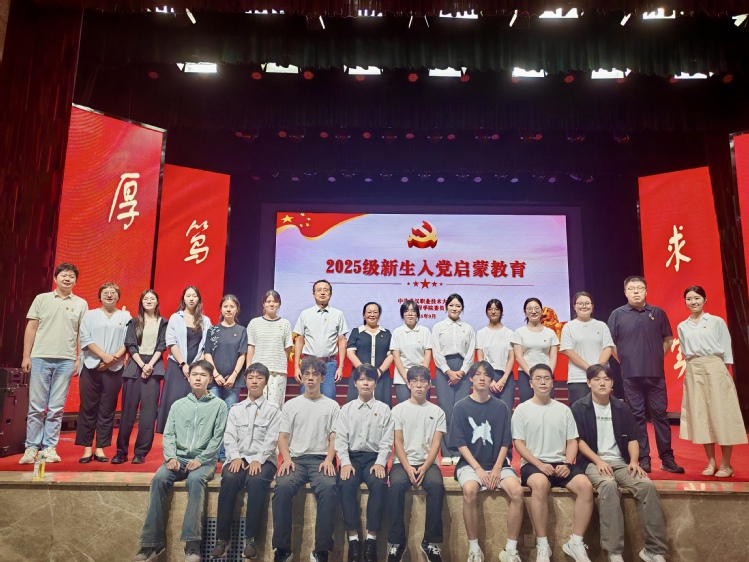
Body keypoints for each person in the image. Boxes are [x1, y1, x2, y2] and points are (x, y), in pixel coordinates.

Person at [131, 360, 228, 562]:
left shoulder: (219, 406)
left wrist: (201, 459)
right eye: (194, 374)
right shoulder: (178, 405)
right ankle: (151, 544)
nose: (198, 378)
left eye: (203, 375)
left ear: (210, 379)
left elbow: (218, 437)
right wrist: (171, 457)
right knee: (159, 479)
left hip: (204, 461)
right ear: (188, 377)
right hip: (178, 458)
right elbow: (169, 434)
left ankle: (192, 545)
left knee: (195, 480)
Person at [572, 364, 668, 562]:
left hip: (620, 462)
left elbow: (633, 438)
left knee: (647, 485)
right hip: (593, 462)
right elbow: (578, 441)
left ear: (612, 383)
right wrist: (598, 461)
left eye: (606, 379)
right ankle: (614, 552)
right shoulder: (579, 408)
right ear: (588, 383)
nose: (602, 383)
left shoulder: (621, 408)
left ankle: (654, 550)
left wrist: (633, 461)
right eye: (597, 379)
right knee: (608, 485)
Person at [512, 364, 594, 562]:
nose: (543, 382)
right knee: (540, 484)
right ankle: (543, 545)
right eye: (538, 378)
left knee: (585, 486)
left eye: (547, 378)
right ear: (531, 383)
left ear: (552, 383)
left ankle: (575, 542)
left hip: (561, 463)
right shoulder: (522, 410)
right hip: (533, 464)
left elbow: (572, 441)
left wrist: (567, 463)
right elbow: (519, 444)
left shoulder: (564, 410)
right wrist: (540, 465)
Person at [448, 360, 524, 562]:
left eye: (487, 375)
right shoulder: (460, 407)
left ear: (491, 379)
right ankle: (474, 549)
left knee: (517, 492)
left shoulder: (501, 407)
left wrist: (497, 468)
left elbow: (506, 442)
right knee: (470, 490)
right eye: (478, 374)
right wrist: (478, 469)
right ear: (471, 378)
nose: (482, 378)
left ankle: (510, 550)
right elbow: (460, 443)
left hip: (498, 464)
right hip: (470, 465)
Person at [607, 276, 684, 474]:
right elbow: (610, 342)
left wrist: (657, 358)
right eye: (631, 288)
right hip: (630, 375)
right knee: (637, 416)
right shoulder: (617, 314)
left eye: (640, 288)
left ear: (646, 291)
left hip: (655, 374)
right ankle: (643, 458)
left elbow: (668, 340)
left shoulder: (657, 313)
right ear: (625, 292)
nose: (636, 291)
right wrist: (624, 360)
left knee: (660, 415)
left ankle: (667, 458)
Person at [272, 356, 340, 562]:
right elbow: (283, 437)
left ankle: (321, 551)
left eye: (315, 374)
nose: (310, 378)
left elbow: (334, 437)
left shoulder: (332, 406)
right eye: (307, 374)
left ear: (322, 378)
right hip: (296, 460)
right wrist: (286, 458)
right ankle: (283, 549)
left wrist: (329, 459)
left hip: (321, 459)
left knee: (329, 488)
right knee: (282, 488)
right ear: (301, 377)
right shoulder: (290, 405)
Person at [211, 363, 281, 560]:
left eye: (259, 378)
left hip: (264, 459)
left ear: (266, 382)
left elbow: (272, 439)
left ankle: (250, 539)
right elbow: (229, 436)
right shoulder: (236, 409)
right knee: (230, 479)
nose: (254, 381)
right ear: (246, 381)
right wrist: (234, 456)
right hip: (238, 457)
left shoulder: (273, 410)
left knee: (256, 481)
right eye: (251, 377)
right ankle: (222, 539)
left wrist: (259, 459)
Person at [19, 263, 88, 464]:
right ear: (55, 278)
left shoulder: (81, 303)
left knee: (57, 407)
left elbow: (81, 334)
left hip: (66, 360)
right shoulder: (42, 299)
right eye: (63, 275)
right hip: (40, 357)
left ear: (75, 281)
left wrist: (79, 358)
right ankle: (31, 447)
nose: (67, 279)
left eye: (71, 276)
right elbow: (31, 328)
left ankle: (49, 447)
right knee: (36, 406)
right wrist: (26, 356)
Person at [678, 285, 747, 477]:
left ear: (705, 300)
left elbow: (726, 350)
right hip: (694, 369)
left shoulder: (716, 321)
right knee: (701, 416)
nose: (693, 302)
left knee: (721, 414)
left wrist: (723, 374)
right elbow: (684, 352)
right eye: (689, 299)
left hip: (716, 367)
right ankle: (711, 463)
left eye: (697, 298)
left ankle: (726, 465)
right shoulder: (682, 326)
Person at [388, 365, 446, 562]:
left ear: (429, 385)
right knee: (396, 485)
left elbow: (436, 444)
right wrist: (407, 467)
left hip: (428, 463)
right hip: (402, 462)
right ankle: (397, 542)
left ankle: (431, 542)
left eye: (423, 381)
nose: (419, 385)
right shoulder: (398, 410)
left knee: (436, 485)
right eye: (414, 381)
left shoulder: (437, 411)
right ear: (408, 384)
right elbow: (397, 442)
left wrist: (424, 467)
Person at [336, 363, 393, 562]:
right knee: (345, 483)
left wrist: (380, 462)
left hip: (373, 459)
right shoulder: (346, 409)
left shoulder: (384, 409)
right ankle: (353, 540)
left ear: (375, 383)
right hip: (352, 458)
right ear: (355, 383)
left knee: (379, 484)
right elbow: (340, 440)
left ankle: (371, 540)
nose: (365, 383)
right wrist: (345, 462)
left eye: (369, 379)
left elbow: (387, 441)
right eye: (361, 379)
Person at [75, 282, 131, 463]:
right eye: (105, 292)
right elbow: (85, 338)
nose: (109, 295)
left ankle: (100, 448)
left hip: (114, 368)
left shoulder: (125, 316)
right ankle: (86, 448)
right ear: (99, 296)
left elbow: (128, 341)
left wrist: (112, 360)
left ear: (118, 296)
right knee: (88, 407)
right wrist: (103, 356)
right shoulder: (90, 315)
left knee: (107, 409)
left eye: (113, 292)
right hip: (91, 366)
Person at [114, 289, 167, 464]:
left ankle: (140, 453)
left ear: (157, 302)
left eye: (152, 298)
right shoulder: (134, 322)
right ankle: (121, 452)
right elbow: (130, 345)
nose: (149, 301)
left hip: (153, 366)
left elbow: (162, 345)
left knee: (148, 414)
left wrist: (149, 365)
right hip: (134, 367)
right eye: (145, 299)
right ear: (141, 302)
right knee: (128, 412)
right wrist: (142, 365)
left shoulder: (163, 323)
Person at [157, 285, 211, 434]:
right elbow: (171, 342)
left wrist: (196, 366)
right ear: (183, 299)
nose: (191, 299)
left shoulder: (205, 320)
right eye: (188, 296)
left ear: (198, 299)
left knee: (192, 404)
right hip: (177, 366)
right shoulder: (176, 318)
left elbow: (207, 345)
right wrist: (183, 364)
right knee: (174, 401)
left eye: (194, 296)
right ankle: (170, 438)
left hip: (196, 367)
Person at [431, 293, 475, 466]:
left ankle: (459, 451)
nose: (454, 309)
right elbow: (436, 351)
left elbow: (470, 353)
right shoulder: (438, 327)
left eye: (458, 306)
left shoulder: (468, 328)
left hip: (463, 370)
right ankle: (447, 452)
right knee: (446, 410)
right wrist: (448, 371)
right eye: (451, 305)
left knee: (460, 411)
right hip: (444, 370)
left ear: (462, 308)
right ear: (446, 307)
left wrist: (462, 372)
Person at [204, 294, 248, 460]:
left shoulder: (241, 331)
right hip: (214, 380)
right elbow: (207, 353)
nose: (228, 309)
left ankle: (224, 452)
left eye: (232, 307)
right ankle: (213, 452)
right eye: (225, 306)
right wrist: (215, 374)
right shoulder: (213, 330)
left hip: (233, 381)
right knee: (215, 416)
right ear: (221, 309)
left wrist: (234, 375)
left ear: (237, 309)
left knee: (230, 417)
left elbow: (242, 355)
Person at [293, 280, 348, 400]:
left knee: (329, 399)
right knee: (306, 400)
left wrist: (341, 367)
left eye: (326, 290)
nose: (322, 293)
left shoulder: (338, 314)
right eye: (319, 290)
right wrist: (296, 367)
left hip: (329, 364)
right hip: (309, 363)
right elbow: (299, 341)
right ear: (313, 294)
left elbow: (342, 341)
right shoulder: (305, 314)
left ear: (330, 294)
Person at [560, 292, 615, 406]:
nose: (584, 306)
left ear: (592, 306)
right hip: (578, 378)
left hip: (601, 377)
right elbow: (568, 351)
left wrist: (598, 369)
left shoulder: (602, 325)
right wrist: (589, 369)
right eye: (580, 303)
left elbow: (608, 347)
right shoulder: (568, 327)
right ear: (574, 306)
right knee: (579, 411)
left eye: (587, 303)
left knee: (602, 410)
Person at [246, 290, 293, 409]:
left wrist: (279, 362)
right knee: (256, 406)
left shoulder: (285, 323)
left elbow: (287, 349)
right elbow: (251, 347)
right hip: (257, 372)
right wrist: (248, 371)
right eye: (268, 301)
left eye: (275, 301)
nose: (271, 304)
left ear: (279, 304)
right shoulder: (254, 323)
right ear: (263, 304)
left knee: (275, 408)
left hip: (278, 372)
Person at [511, 297, 559, 405]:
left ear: (541, 311)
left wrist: (548, 374)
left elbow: (553, 357)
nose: (533, 311)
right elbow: (519, 356)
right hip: (525, 375)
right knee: (527, 406)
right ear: (525, 312)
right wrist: (532, 374)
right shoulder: (519, 332)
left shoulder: (550, 333)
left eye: (537, 308)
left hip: (546, 375)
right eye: (530, 309)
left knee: (548, 406)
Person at [346, 302, 394, 406]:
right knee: (356, 407)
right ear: (364, 315)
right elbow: (350, 352)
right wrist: (363, 371)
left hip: (381, 376)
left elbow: (391, 355)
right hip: (359, 375)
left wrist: (379, 371)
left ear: (379, 315)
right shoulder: (356, 332)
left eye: (375, 312)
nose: (372, 315)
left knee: (382, 407)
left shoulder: (386, 333)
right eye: (369, 312)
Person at [476, 298, 516, 413]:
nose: (493, 312)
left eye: (496, 309)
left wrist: (503, 380)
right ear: (486, 312)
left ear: (501, 312)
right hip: (487, 377)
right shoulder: (481, 333)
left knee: (505, 411)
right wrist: (490, 380)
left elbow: (511, 358)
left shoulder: (509, 333)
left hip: (506, 377)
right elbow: (481, 359)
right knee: (488, 412)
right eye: (490, 309)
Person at [390, 300, 433, 404]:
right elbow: (396, 357)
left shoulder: (425, 331)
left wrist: (420, 377)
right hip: (402, 377)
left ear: (417, 314)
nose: (410, 314)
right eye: (406, 311)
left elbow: (428, 354)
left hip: (422, 377)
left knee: (423, 408)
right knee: (404, 408)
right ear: (402, 314)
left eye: (413, 311)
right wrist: (407, 379)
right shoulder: (397, 332)